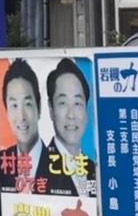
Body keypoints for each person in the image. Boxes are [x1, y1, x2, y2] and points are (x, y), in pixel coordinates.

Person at [40, 57, 96, 197]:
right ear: (51, 109)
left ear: (86, 112)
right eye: (63, 103)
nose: (71, 115)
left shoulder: (94, 169)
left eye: (77, 103)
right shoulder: (39, 168)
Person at [0, 59, 43, 193]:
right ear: (6, 111)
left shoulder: (60, 164)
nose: (21, 116)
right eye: (14, 106)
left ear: (39, 108)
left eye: (27, 104)